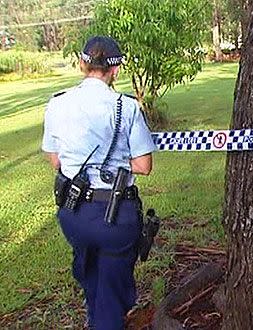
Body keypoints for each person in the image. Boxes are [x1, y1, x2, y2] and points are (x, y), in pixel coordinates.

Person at [41, 36, 156, 329]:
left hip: (74, 215)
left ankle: (98, 319)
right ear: (115, 71)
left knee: (92, 275)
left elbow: (55, 160)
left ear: (82, 64)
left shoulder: (57, 104)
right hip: (115, 216)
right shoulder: (127, 107)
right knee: (110, 293)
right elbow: (144, 166)